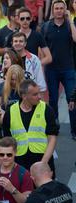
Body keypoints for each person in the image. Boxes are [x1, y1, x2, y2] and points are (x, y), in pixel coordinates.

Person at [2, 80, 58, 174]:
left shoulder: (46, 109)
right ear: (24, 96)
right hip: (20, 162)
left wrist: (44, 162)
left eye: (39, 93)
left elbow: (52, 138)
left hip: (42, 159)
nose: (39, 97)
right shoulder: (10, 112)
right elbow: (7, 141)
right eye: (35, 94)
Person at [41, 0, 76, 137]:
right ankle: (53, 129)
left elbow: (75, 38)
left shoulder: (69, 25)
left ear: (65, 10)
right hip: (52, 69)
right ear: (53, 10)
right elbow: (41, 48)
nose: (59, 10)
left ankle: (74, 130)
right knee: (53, 100)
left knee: (72, 100)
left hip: (69, 68)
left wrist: (70, 20)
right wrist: (42, 65)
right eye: (56, 8)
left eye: (62, 8)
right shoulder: (45, 27)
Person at [0, 137, 34, 203]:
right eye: (2, 154)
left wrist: (12, 189)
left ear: (15, 152)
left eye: (9, 155)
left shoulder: (24, 174)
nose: (5, 157)